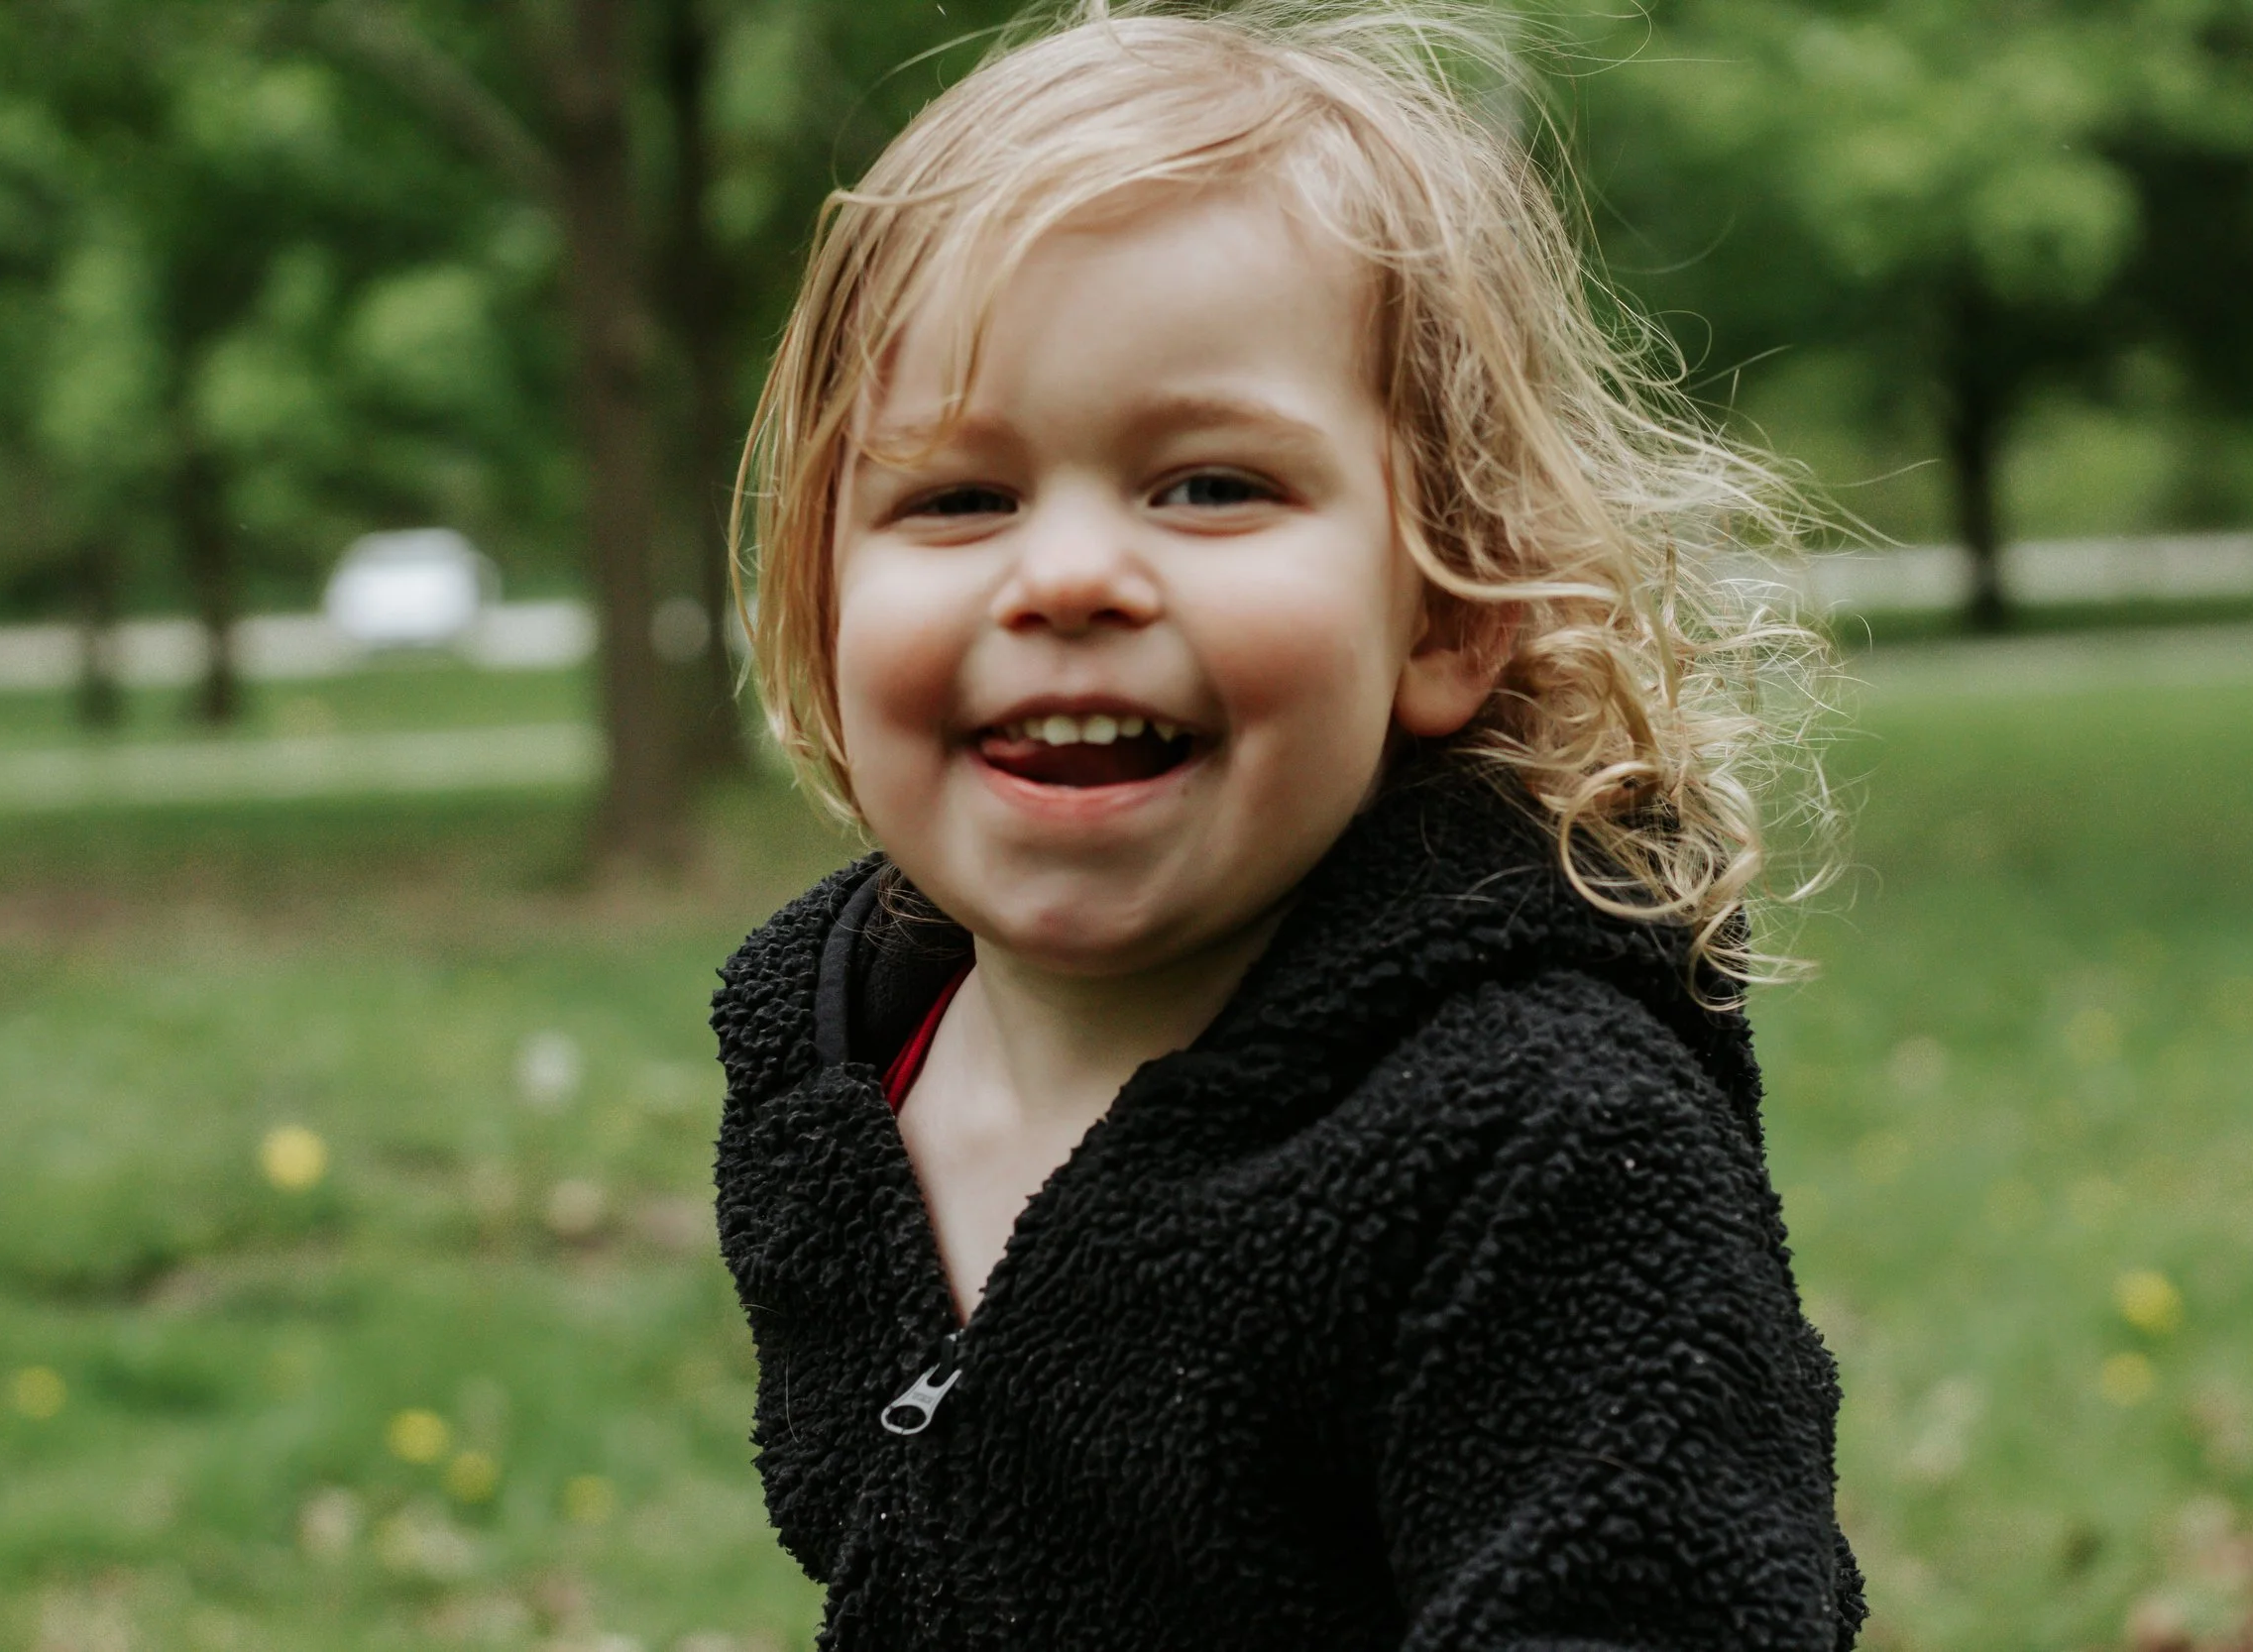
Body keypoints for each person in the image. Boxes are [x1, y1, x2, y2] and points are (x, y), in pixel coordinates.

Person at [710, 3, 1862, 1647]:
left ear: (1448, 612)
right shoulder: (837, 1063)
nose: (1069, 576)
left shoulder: (1539, 1152)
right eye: (960, 496)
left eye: (1211, 485)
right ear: (820, 595)